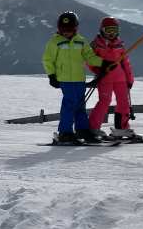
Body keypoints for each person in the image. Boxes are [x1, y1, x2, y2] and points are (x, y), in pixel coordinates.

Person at [41, 11, 103, 143]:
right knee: (69, 105)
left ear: (75, 28)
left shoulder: (81, 41)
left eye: (70, 30)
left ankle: (82, 130)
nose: (67, 32)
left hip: (79, 79)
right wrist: (51, 76)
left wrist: (104, 63)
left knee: (80, 106)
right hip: (65, 80)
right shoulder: (55, 42)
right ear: (59, 28)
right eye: (64, 30)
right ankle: (65, 132)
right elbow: (47, 60)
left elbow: (90, 57)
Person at [87, 17, 135, 139]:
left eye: (114, 30)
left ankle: (121, 128)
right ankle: (93, 127)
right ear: (102, 30)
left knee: (124, 103)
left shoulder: (119, 44)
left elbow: (125, 63)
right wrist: (99, 70)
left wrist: (129, 79)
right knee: (104, 102)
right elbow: (89, 61)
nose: (111, 33)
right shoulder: (96, 44)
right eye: (108, 30)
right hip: (105, 78)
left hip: (121, 79)